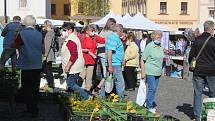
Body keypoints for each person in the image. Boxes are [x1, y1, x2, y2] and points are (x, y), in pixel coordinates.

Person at [12, 15, 42, 118]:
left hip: (26, 64)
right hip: (37, 64)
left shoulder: (22, 34)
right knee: (35, 88)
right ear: (34, 24)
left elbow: (15, 45)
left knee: (27, 89)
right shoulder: (39, 34)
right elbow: (42, 48)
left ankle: (30, 110)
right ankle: (35, 108)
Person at [188, 20, 215, 121]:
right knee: (213, 94)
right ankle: (211, 115)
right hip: (212, 71)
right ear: (211, 29)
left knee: (198, 93)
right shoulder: (214, 41)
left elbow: (191, 56)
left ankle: (197, 116)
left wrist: (193, 66)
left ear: (204, 28)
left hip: (198, 71)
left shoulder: (197, 40)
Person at [61, 22, 90, 100]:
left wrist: (68, 66)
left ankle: (86, 96)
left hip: (74, 66)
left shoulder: (71, 40)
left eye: (64, 30)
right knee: (71, 84)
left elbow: (74, 55)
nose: (62, 32)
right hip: (73, 65)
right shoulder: (71, 38)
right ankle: (72, 98)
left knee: (71, 83)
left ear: (70, 30)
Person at [140, 30, 165, 114]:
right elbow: (142, 59)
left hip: (157, 72)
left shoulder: (161, 46)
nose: (159, 39)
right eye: (158, 37)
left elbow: (161, 59)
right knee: (152, 88)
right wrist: (143, 72)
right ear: (153, 37)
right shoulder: (149, 46)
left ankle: (148, 102)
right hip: (149, 71)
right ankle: (149, 106)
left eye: (160, 37)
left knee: (154, 90)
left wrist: (161, 70)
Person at [101, 24, 125, 100]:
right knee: (120, 83)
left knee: (108, 81)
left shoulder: (112, 37)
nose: (122, 33)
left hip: (114, 63)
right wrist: (110, 65)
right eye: (122, 31)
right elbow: (109, 51)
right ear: (120, 31)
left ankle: (103, 97)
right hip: (114, 64)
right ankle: (121, 100)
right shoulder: (114, 38)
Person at [79, 25, 105, 92]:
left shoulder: (95, 37)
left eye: (94, 31)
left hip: (92, 60)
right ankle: (77, 90)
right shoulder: (81, 37)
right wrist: (86, 50)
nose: (93, 32)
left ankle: (87, 91)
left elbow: (103, 40)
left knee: (89, 77)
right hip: (83, 60)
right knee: (82, 76)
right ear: (87, 31)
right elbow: (77, 48)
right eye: (92, 31)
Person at [97, 18, 116, 90]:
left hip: (101, 53)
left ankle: (102, 88)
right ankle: (105, 89)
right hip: (105, 54)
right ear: (111, 24)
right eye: (114, 25)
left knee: (105, 72)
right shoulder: (110, 33)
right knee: (107, 72)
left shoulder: (102, 31)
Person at [42, 20, 55, 89]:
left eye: (44, 25)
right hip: (49, 54)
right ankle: (50, 83)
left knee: (48, 69)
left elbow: (48, 45)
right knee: (47, 69)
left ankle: (50, 84)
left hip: (48, 54)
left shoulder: (49, 33)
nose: (44, 27)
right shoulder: (51, 32)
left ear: (47, 25)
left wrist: (45, 56)